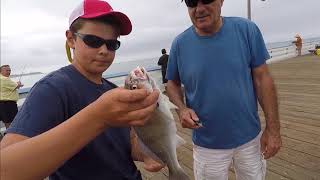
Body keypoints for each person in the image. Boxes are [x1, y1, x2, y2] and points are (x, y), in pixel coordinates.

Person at [0, 1, 163, 179]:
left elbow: (128, 141)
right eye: (93, 41)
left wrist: (147, 154)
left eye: (112, 44)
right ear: (71, 39)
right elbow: (6, 169)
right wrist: (99, 117)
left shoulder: (113, 90)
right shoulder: (52, 89)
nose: (103, 50)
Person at [166, 0, 282, 180]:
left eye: (207, 0)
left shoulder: (246, 29)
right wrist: (182, 108)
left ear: (221, 1)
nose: (200, 9)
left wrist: (273, 130)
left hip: (250, 139)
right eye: (191, 2)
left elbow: (263, 78)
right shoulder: (179, 44)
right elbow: (171, 83)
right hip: (207, 145)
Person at [0, 65, 23, 129]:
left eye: (9, 70)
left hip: (2, 104)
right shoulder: (5, 79)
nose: (9, 72)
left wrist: (17, 85)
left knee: (7, 122)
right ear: (1, 71)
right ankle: (11, 137)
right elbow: (17, 86)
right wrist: (18, 84)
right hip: (8, 104)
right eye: (6, 70)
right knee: (11, 122)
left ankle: (8, 136)